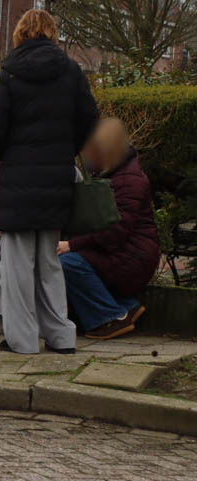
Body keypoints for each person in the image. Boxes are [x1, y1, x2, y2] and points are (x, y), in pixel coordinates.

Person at [0, 9, 98, 354]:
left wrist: (7, 153)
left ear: (20, 34)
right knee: (49, 262)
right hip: (56, 177)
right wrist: (66, 149)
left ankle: (22, 340)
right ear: (52, 34)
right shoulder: (71, 71)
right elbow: (89, 119)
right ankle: (61, 336)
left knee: (17, 264)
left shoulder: (9, 72)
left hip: (19, 178)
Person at [58, 118, 160, 340]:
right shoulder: (114, 173)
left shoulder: (129, 181)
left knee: (68, 264)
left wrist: (72, 245)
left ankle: (110, 317)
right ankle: (127, 306)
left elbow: (115, 231)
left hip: (133, 257)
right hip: (125, 251)